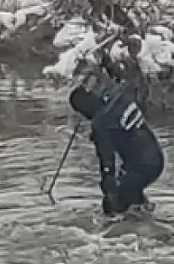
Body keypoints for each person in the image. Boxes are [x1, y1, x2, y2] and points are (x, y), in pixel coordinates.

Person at [69, 72, 165, 215]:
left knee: (115, 205)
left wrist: (109, 190)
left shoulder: (101, 124)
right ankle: (145, 212)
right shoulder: (118, 96)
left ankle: (128, 230)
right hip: (157, 158)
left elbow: (107, 161)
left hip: (140, 167)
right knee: (131, 194)